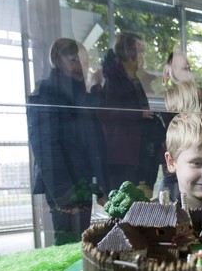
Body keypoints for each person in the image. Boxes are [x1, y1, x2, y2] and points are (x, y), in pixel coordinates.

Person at [27, 38, 108, 245]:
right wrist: (63, 192)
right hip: (63, 184)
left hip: (81, 182)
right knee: (68, 242)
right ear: (57, 60)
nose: (80, 66)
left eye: (83, 61)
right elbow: (44, 145)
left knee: (86, 239)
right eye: (73, 60)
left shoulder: (77, 94)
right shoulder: (47, 92)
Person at [97, 31, 164, 193]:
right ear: (126, 51)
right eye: (138, 50)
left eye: (142, 51)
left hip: (143, 153)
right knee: (124, 202)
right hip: (122, 154)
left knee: (142, 200)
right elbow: (104, 113)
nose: (142, 56)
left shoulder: (136, 78)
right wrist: (137, 113)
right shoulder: (112, 77)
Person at [160, 49, 202, 201]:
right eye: (184, 68)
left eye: (189, 67)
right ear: (169, 69)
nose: (189, 72)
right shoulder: (168, 97)